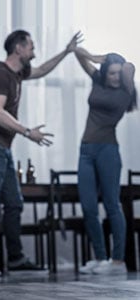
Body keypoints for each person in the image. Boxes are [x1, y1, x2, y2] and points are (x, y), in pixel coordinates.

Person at [0, 29, 83, 276]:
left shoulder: (17, 74)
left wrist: (67, 51)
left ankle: (16, 258)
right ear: (18, 48)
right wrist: (27, 131)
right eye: (30, 46)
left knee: (14, 202)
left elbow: (42, 70)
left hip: (1, 148)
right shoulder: (0, 75)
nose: (33, 50)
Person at [74, 47, 137, 275]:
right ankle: (101, 257)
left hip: (108, 151)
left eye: (118, 74)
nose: (115, 77)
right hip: (86, 151)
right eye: (111, 73)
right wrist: (86, 55)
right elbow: (78, 55)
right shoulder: (98, 82)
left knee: (112, 204)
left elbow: (130, 67)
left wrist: (111, 60)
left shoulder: (126, 91)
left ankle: (118, 261)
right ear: (104, 73)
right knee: (89, 206)